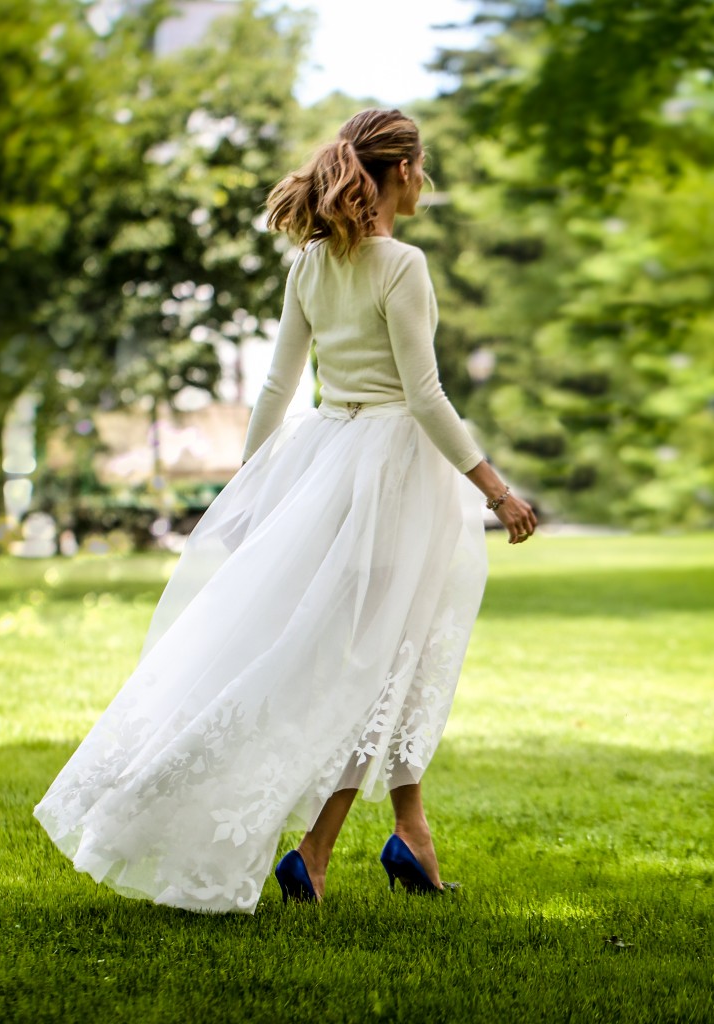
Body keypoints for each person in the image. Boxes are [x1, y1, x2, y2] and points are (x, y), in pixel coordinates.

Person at [33, 108, 537, 914]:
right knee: (378, 659)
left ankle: (410, 831)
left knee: (390, 654)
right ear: (399, 171)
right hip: (395, 475)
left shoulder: (308, 265)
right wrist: (496, 489)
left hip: (327, 462)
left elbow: (275, 388)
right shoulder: (400, 264)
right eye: (421, 167)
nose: (424, 180)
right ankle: (315, 848)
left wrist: (256, 486)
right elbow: (424, 396)